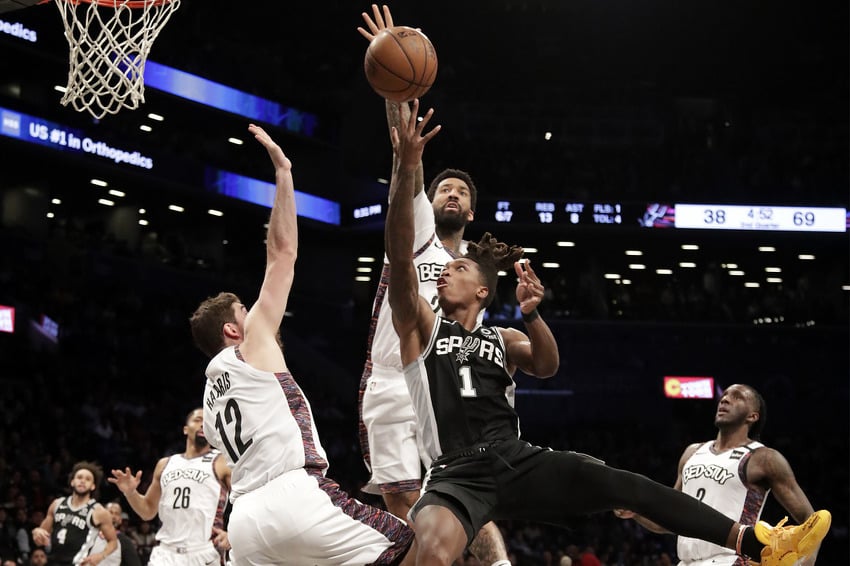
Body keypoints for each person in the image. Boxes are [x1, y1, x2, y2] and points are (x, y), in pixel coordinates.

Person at [383, 99, 831, 566]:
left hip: (515, 458)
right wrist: (407, 168)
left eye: (454, 269)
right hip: (457, 470)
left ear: (480, 290)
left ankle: (758, 543)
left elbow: (548, 365)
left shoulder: (502, 338)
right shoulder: (422, 325)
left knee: (624, 483)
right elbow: (399, 254)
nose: (441, 275)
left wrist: (533, 316)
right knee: (430, 553)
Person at [188, 124, 416, 565]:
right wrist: (284, 172)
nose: (255, 314)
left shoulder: (210, 404)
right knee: (417, 542)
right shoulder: (250, 344)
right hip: (294, 497)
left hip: (246, 522)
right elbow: (282, 253)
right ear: (233, 331)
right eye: (244, 312)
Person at [356, 5, 510, 565]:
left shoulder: (478, 269)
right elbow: (405, 156)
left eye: (461, 193)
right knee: (403, 499)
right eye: (444, 188)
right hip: (395, 378)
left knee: (468, 494)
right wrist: (394, 90)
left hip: (452, 384)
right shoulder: (417, 226)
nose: (451, 194)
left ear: (471, 211)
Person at [614, 383, 827, 566]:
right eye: (724, 396)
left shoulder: (763, 458)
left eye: (737, 397)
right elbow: (671, 517)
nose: (725, 399)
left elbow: (812, 522)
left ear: (753, 416)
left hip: (731, 559)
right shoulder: (692, 452)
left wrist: (805, 563)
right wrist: (636, 512)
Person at [108, 408, 231, 566]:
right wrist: (131, 493)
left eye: (207, 422)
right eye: (198, 420)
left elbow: (244, 498)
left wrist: (233, 534)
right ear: (185, 429)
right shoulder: (165, 464)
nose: (203, 424)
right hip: (166, 553)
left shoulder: (221, 461)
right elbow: (147, 511)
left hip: (204, 551)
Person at [32, 461, 118, 566]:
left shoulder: (98, 511)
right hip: (52, 562)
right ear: (72, 482)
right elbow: (41, 538)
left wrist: (100, 556)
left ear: (93, 486)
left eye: (87, 479)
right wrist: (37, 532)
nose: (82, 481)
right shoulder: (57, 504)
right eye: (79, 477)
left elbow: (113, 542)